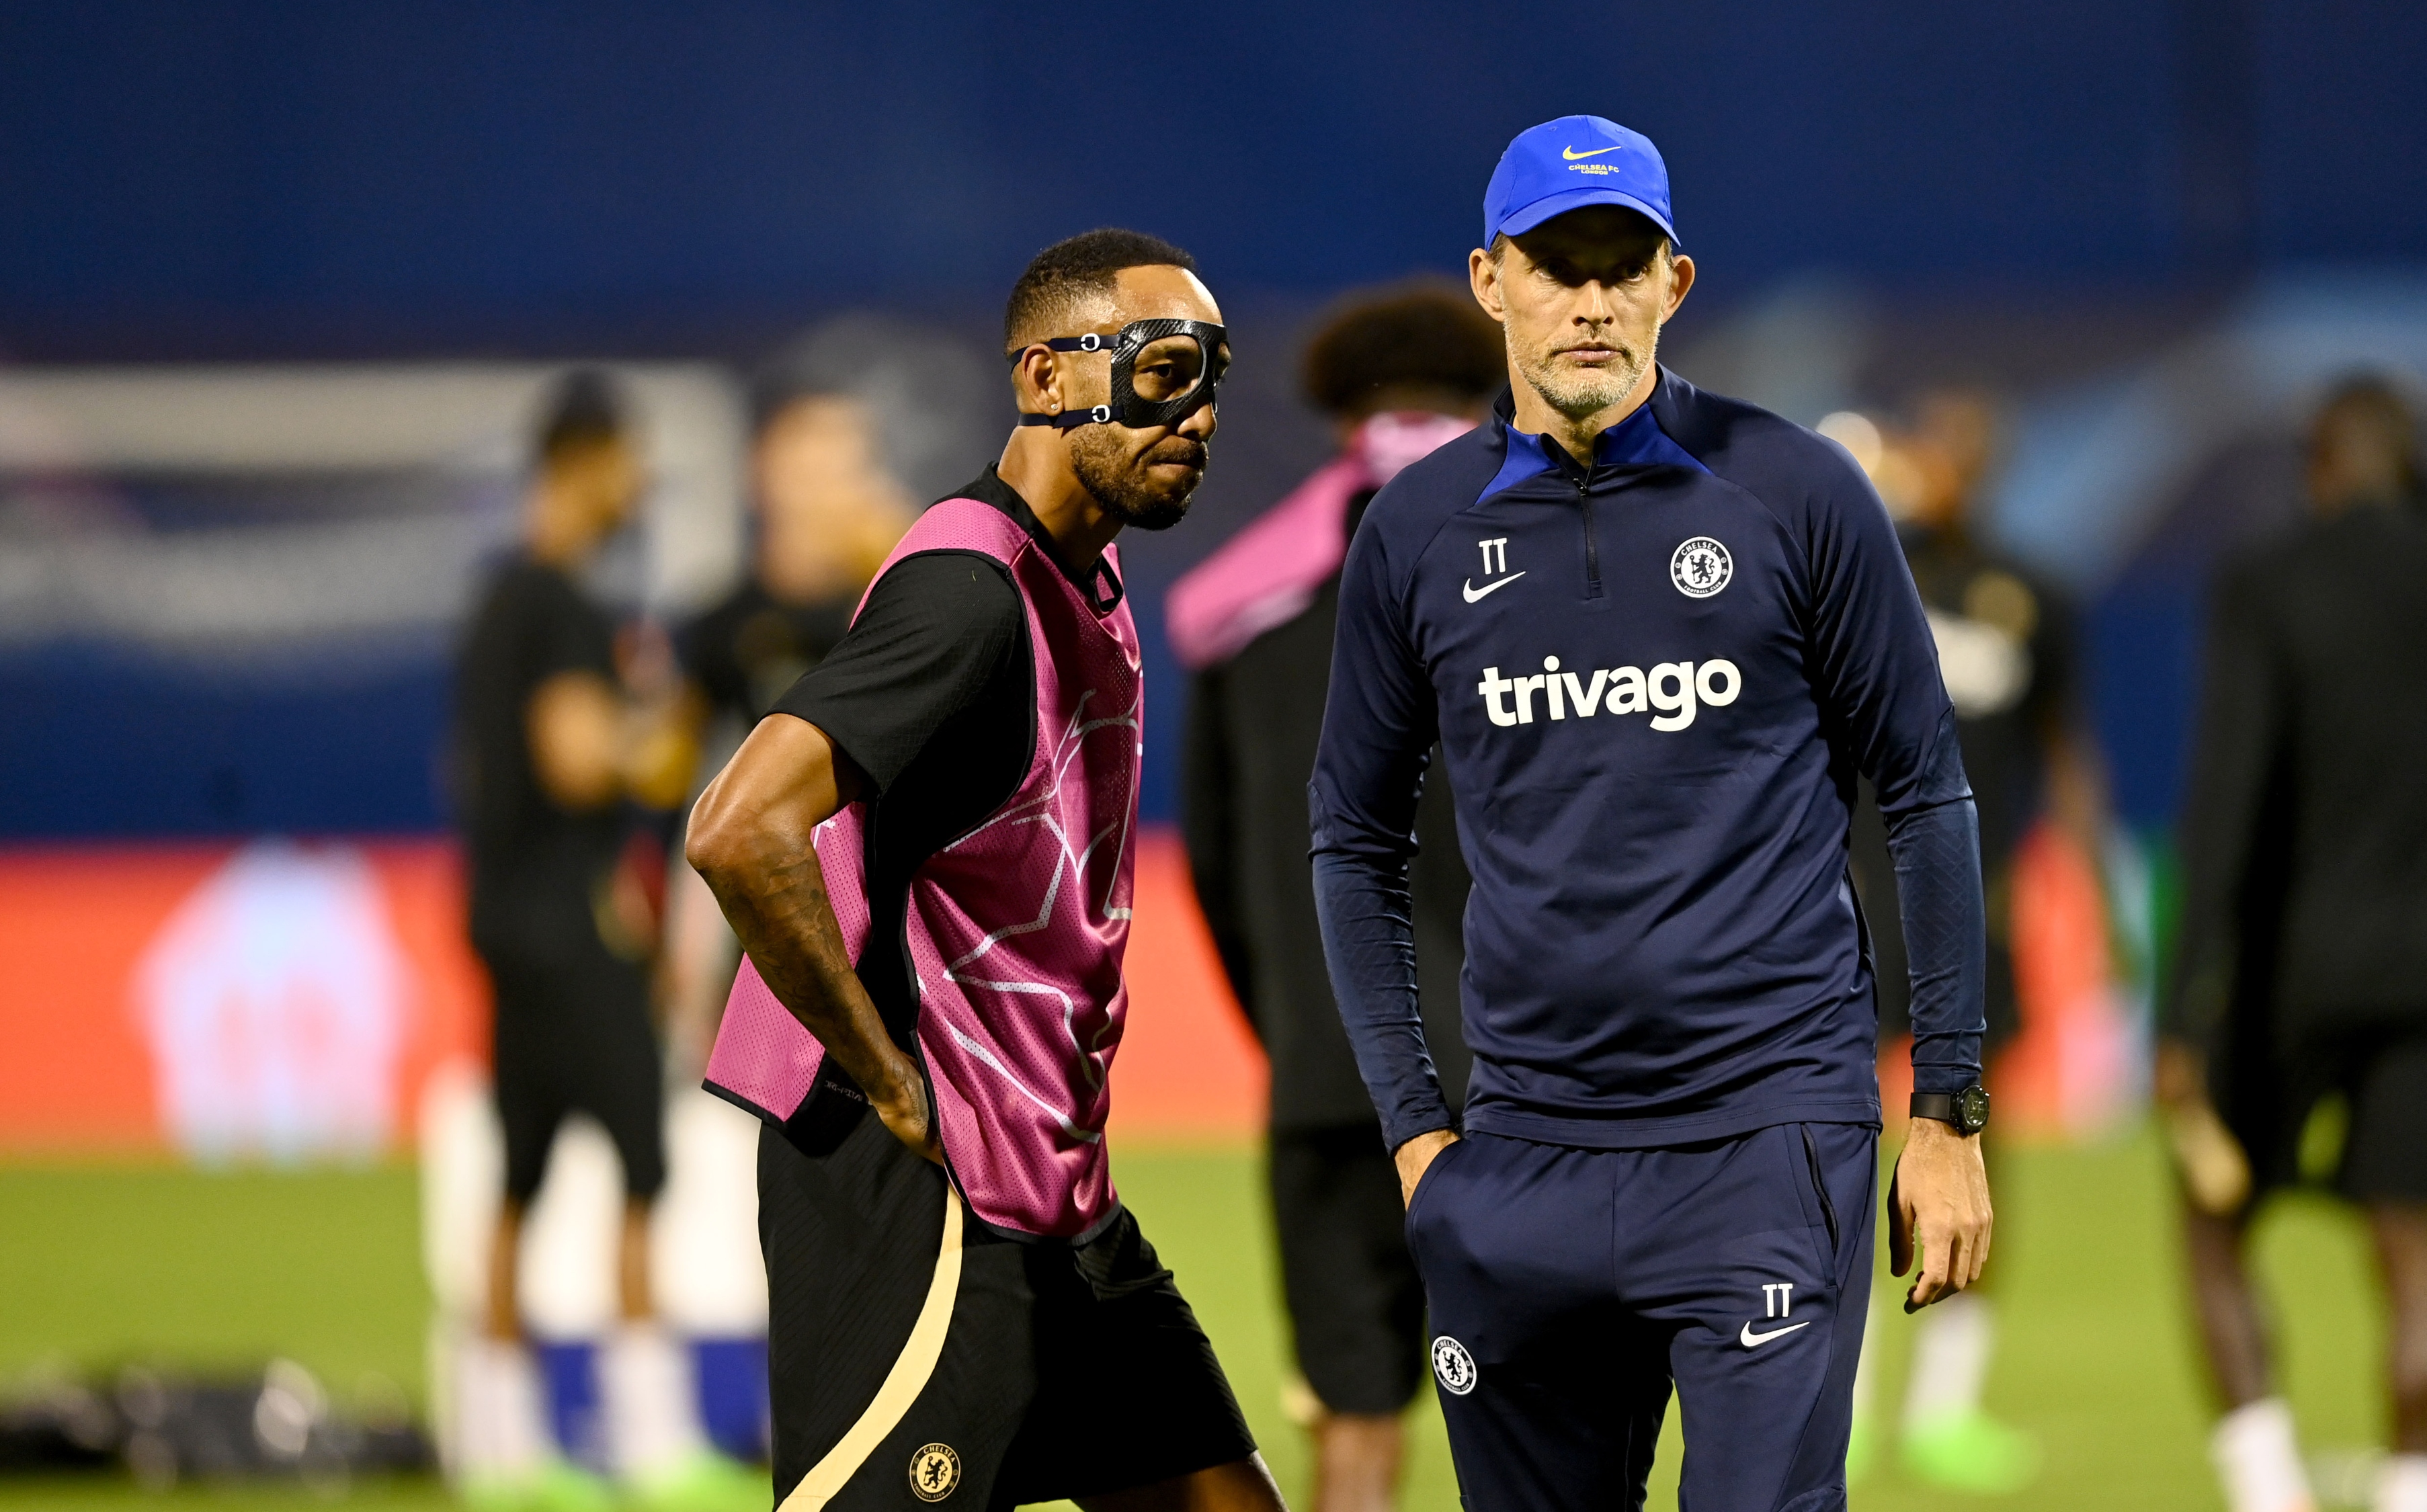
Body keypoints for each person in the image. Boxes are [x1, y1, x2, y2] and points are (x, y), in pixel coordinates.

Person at [1309, 116, 1996, 1512]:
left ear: (1673, 285)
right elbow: (1351, 838)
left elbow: (1925, 789)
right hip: (1516, 1158)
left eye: (1622, 266)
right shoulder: (1415, 531)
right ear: (1488, 280)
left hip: (1764, 1138)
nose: (1591, 300)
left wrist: (1949, 1108)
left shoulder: (1796, 491)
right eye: (1556, 266)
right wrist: (1416, 1136)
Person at [686, 228, 1286, 1512]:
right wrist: (880, 1071)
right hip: (934, 1200)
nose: (1200, 412)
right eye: (1165, 369)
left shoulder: (1089, 575)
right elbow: (738, 825)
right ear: (1048, 379)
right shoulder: (969, 591)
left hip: (1059, 1197)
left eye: (1214, 376)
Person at [2158, 376, 2427, 1512]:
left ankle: (2272, 1493)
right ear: (2409, 462)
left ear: (2317, 462)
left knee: (2212, 1225)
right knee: (2414, 1253)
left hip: (2291, 974)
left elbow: (2225, 796)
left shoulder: (2269, 583)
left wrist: (2179, 1011)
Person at [1169, 283, 1498, 1512]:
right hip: (1522, 1075)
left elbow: (1212, 867)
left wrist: (1304, 1029)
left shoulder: (1243, 605)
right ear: (1483, 401)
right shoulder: (1553, 579)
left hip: (1326, 1074)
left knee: (1351, 1424)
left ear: (1335, 418)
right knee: (1543, 1419)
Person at [449, 370, 745, 1512]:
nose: (638, 488)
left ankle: (502, 1447)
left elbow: (472, 769)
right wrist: (659, 734)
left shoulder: (492, 605)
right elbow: (579, 757)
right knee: (639, 1167)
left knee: (520, 1176)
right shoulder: (564, 607)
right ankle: (652, 1440)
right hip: (576, 927)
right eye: (626, 462)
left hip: (501, 915)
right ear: (581, 463)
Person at [1842, 388, 2102, 1491]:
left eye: (1970, 452)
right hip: (1846, 904)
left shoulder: (2031, 596)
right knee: (1834, 1148)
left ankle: (1948, 1409)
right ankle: (1835, 1400)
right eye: (1934, 449)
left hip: (1973, 909)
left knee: (1973, 1138)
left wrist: (2100, 897)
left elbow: (2068, 751)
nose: (1951, 467)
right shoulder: (1848, 576)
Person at [659, 371, 919, 1067]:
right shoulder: (719, 626)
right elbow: (680, 778)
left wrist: (899, 555)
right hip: (762, 908)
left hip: (883, 907)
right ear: (763, 475)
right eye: (808, 466)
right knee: (750, 1114)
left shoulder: (897, 608)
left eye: (845, 467)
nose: (825, 489)